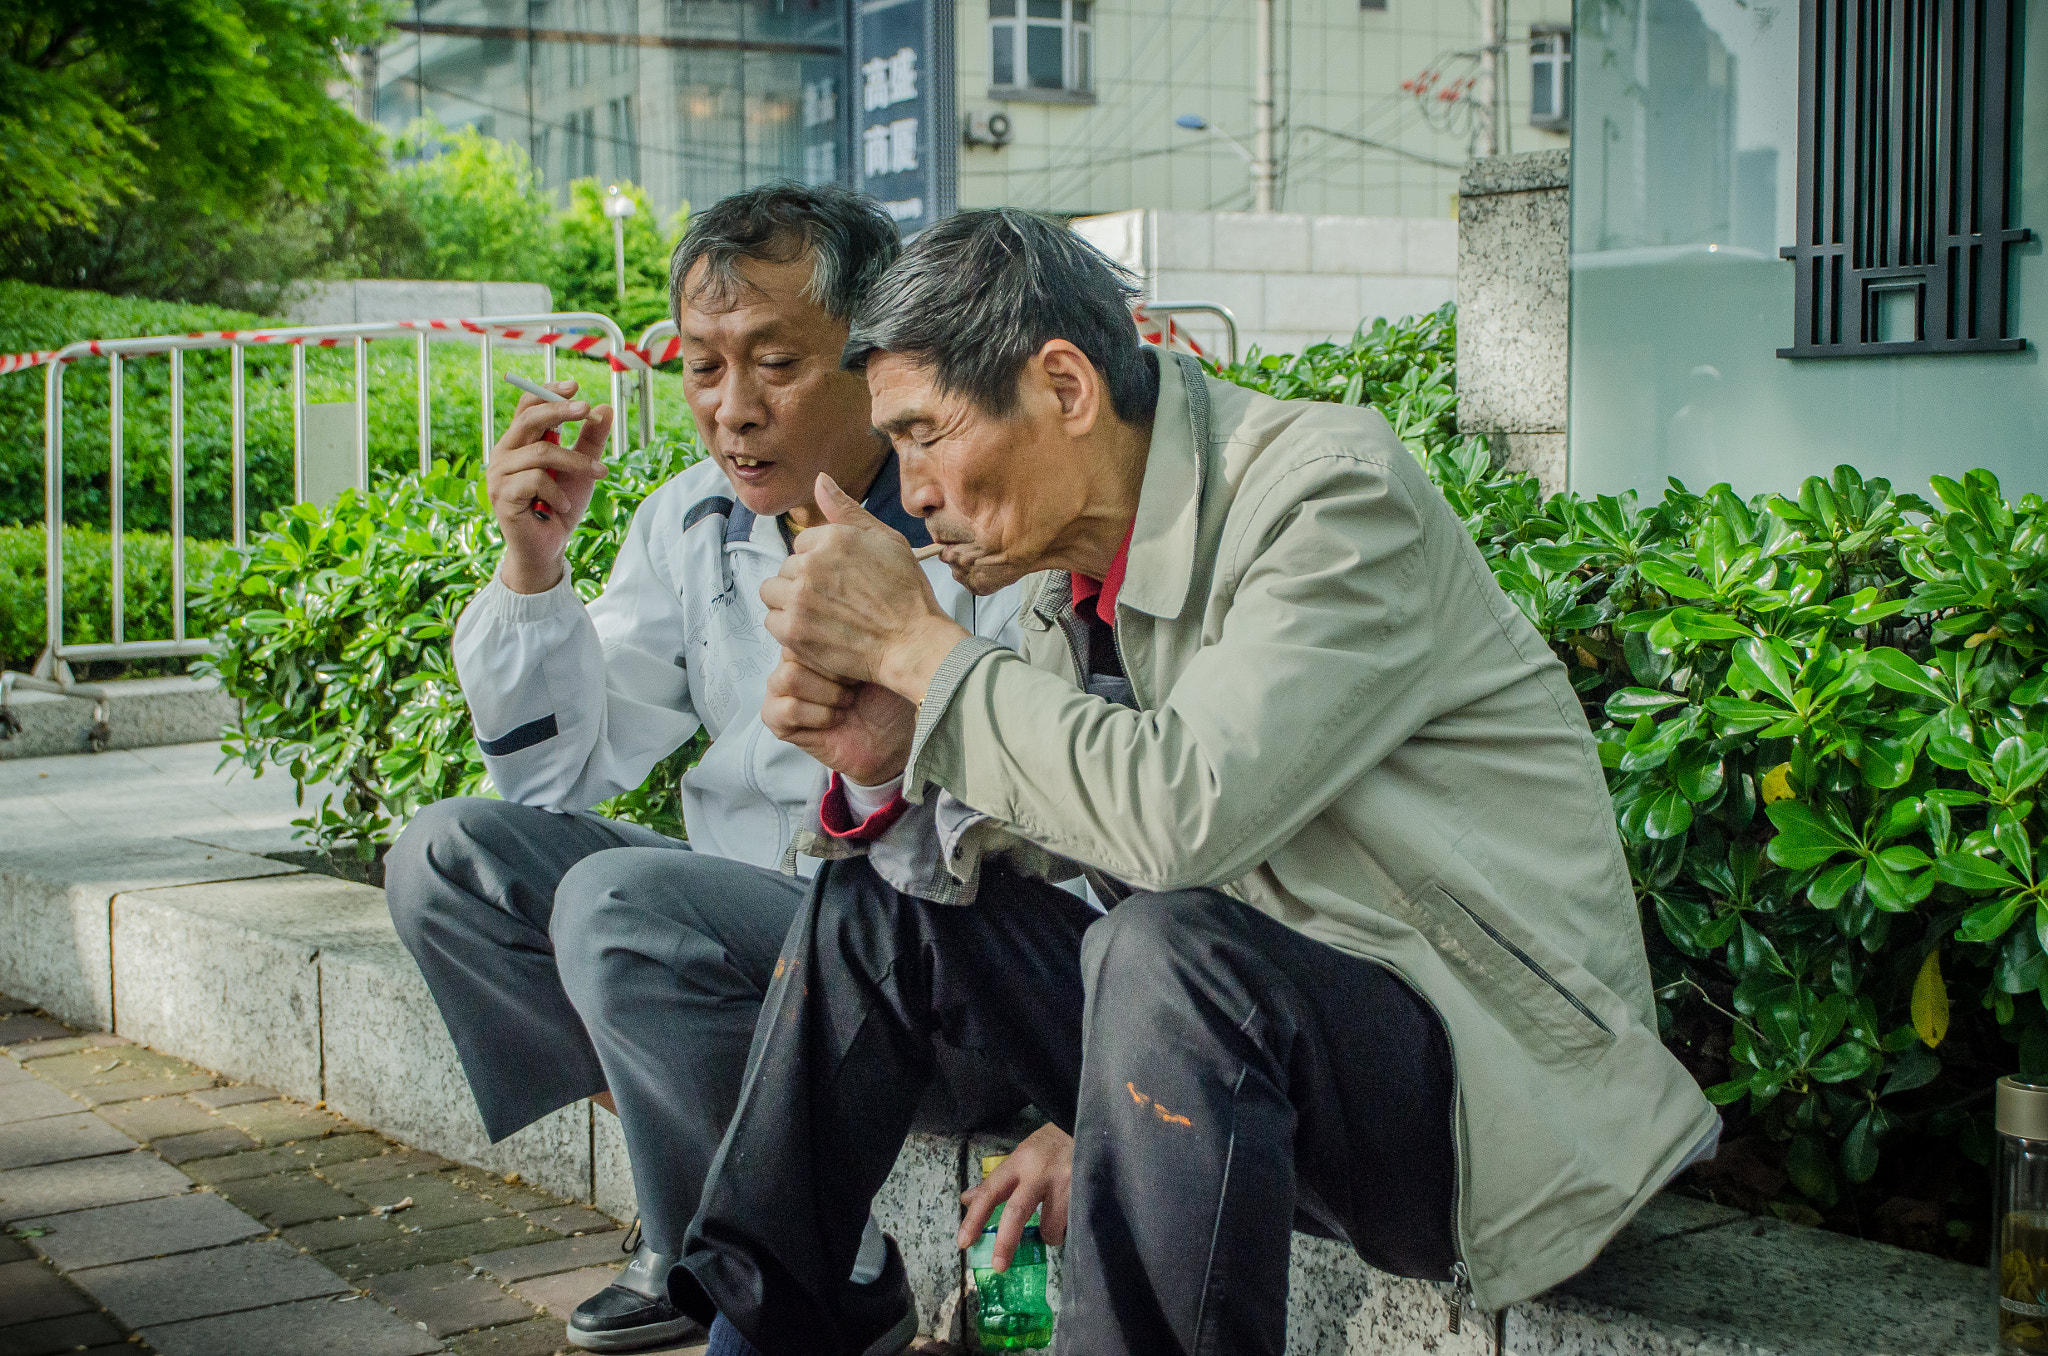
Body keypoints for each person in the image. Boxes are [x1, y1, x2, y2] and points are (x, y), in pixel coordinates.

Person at [673, 209, 1721, 1356]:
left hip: (1477, 1101)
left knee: (1166, 952)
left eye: (925, 435)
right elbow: (1060, 855)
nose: (911, 490)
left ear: (1064, 386)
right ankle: (759, 1325)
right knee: (880, 910)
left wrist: (923, 655)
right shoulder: (1055, 586)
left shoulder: (1328, 499)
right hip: (1240, 1035)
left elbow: (1181, 817)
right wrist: (885, 762)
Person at [382, 184, 1024, 1354]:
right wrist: (533, 566)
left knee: (620, 906)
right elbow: (554, 779)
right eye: (701, 367)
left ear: (871, 357)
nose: (732, 412)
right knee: (449, 860)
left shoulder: (963, 525)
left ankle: (748, 1258)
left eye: (775, 363)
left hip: (914, 961)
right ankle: (773, 1234)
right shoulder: (689, 522)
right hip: (740, 939)